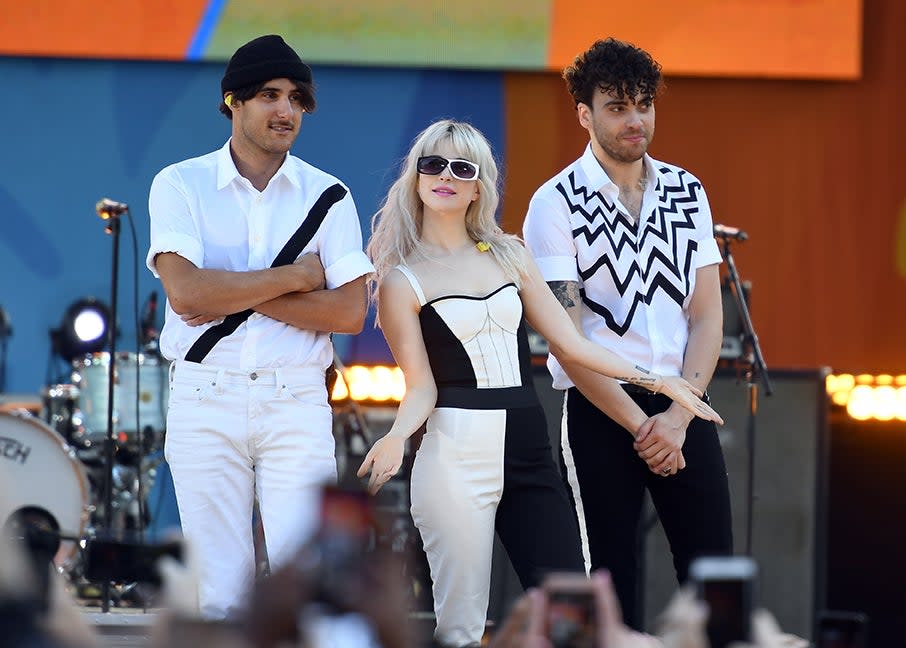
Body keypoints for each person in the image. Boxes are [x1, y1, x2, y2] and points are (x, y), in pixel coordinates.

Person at [356, 119, 722, 648]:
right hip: (455, 449)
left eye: (463, 168)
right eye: (432, 164)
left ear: (479, 184)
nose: (445, 177)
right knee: (460, 625)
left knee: (572, 609)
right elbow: (421, 388)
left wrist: (661, 382)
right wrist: (395, 436)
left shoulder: (509, 253)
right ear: (414, 176)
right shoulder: (400, 280)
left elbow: (572, 346)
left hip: (526, 447)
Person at [146, 34, 373, 619]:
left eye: (297, 98)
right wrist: (297, 276)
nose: (286, 110)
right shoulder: (180, 184)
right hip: (205, 395)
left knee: (312, 589)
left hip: (294, 399)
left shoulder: (330, 195)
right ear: (233, 102)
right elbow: (186, 293)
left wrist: (230, 290)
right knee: (219, 595)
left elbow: (348, 313)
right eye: (270, 95)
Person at [522, 37, 734, 628]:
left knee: (716, 579)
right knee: (606, 588)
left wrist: (676, 417)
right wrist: (642, 425)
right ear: (585, 114)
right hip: (600, 411)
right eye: (618, 107)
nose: (635, 119)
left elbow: (708, 315)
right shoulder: (554, 203)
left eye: (644, 104)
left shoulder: (687, 190)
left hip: (683, 403)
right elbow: (567, 337)